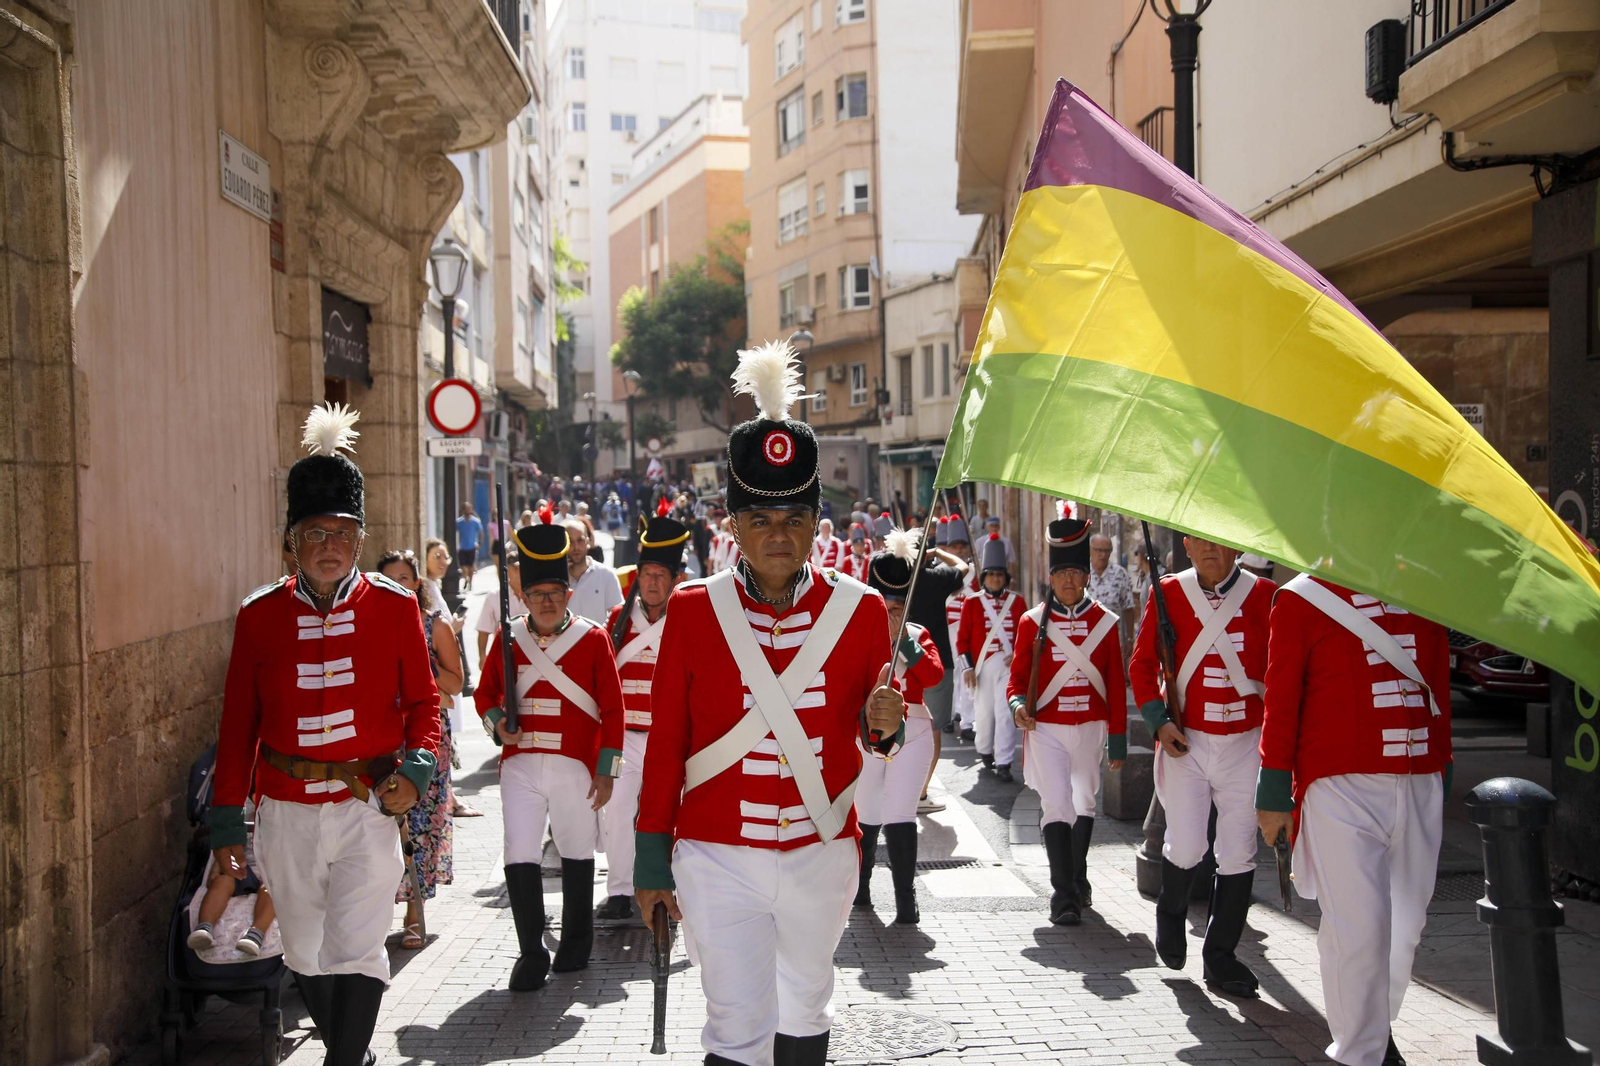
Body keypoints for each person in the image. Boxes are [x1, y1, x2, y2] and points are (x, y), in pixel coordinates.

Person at [634, 340, 906, 1066]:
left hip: (821, 848)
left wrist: (884, 731)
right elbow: (665, 747)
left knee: (807, 1004)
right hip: (717, 854)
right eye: (760, 519)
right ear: (733, 527)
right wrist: (651, 860)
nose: (778, 534)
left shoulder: (860, 610)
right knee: (736, 1025)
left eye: (793, 517)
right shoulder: (693, 612)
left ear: (818, 521)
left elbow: (868, 730)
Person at [213, 404, 439, 1066]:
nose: (331, 545)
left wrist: (417, 770)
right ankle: (354, 1054)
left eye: (344, 531)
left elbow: (425, 703)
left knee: (360, 946)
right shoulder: (257, 617)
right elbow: (236, 725)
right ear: (292, 542)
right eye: (316, 532)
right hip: (284, 810)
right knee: (307, 951)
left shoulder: (397, 608)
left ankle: (342, 1060)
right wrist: (229, 822)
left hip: (367, 805)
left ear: (361, 540)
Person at [1258, 576, 1452, 1066]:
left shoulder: (1426, 588)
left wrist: (1442, 767)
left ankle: (1373, 1032)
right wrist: (1275, 792)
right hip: (1339, 786)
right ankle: (1358, 1052)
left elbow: (1438, 682)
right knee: (1358, 930)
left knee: (1405, 928)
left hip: (1419, 779)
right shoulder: (1302, 598)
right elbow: (1280, 701)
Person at [474, 522, 626, 990]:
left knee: (578, 854)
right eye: (537, 592)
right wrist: (499, 722)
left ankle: (576, 945)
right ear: (524, 596)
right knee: (519, 852)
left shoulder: (594, 638)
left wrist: (606, 771)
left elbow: (613, 709)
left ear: (568, 593)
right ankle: (530, 952)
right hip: (520, 766)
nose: (546, 601)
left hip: (575, 766)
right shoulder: (507, 637)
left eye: (555, 592)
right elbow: (484, 697)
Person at [1130, 535, 1275, 998]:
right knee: (1188, 845)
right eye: (1201, 542)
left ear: (1237, 548)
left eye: (1220, 542)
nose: (1211, 550)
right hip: (1186, 742)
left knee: (1238, 852)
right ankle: (1170, 916)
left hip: (1246, 743)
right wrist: (1158, 721)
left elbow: (1282, 673)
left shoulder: (1266, 597)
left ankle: (1221, 957)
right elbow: (1141, 666)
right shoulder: (1168, 593)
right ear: (1187, 547)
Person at [1008, 519, 1127, 924]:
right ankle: (1064, 896)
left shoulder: (1106, 623)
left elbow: (1115, 681)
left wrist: (1119, 737)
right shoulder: (1031, 622)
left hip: (1091, 726)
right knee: (1055, 802)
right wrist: (1017, 706)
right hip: (1047, 729)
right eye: (1062, 574)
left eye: (1076, 573)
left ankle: (1078, 875)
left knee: (1084, 801)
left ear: (1086, 575)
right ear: (1051, 577)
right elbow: (1017, 681)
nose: (1069, 581)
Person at [595, 511, 690, 920]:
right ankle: (618, 890)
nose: (652, 582)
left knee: (675, 813)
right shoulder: (616, 620)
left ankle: (670, 885)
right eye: (646, 574)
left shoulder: (689, 621)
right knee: (615, 810)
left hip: (669, 738)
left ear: (674, 580)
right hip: (623, 737)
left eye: (660, 575)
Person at [855, 528, 944, 924]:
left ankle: (906, 899)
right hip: (867, 734)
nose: (891, 615)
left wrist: (904, 643)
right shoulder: (858, 637)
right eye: (885, 607)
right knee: (866, 807)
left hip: (915, 732)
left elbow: (934, 676)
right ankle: (861, 888)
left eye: (897, 608)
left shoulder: (917, 634)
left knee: (900, 812)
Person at [377, 550, 463, 950]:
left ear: (416, 583)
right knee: (382, 824)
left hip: (425, 737)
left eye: (403, 577)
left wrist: (417, 670)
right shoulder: (368, 626)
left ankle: (414, 912)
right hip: (381, 736)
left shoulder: (435, 624)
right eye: (387, 578)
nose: (397, 584)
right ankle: (378, 914)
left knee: (422, 822)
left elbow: (456, 681)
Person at [902, 518, 971, 814]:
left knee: (900, 723)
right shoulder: (935, 576)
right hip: (934, 656)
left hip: (899, 655)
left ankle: (901, 787)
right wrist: (939, 553)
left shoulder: (894, 576)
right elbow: (963, 567)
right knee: (933, 730)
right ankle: (920, 792)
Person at [956, 532, 1025, 781]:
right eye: (991, 574)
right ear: (984, 577)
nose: (996, 579)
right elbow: (962, 640)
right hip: (983, 666)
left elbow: (1025, 635)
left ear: (1005, 577)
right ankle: (985, 750)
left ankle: (1004, 761)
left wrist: (1018, 653)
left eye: (1000, 575)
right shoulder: (972, 603)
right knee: (984, 713)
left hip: (1009, 666)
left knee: (1006, 713)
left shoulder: (1018, 602)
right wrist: (968, 668)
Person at [187, 801, 276, 956]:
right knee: (222, 882)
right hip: (241, 864)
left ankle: (256, 934)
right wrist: (217, 866)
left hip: (272, 867)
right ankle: (204, 927)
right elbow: (228, 837)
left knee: (271, 889)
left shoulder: (280, 804)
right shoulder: (241, 803)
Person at [941, 515, 979, 743]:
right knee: (948, 675)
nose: (959, 551)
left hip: (967, 631)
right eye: (955, 547)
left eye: (962, 547)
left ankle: (967, 720)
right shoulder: (943, 572)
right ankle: (949, 714)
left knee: (966, 674)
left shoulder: (976, 573)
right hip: (946, 629)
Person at [1087, 532, 1138, 660]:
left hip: (1113, 638)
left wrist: (1130, 639)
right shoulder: (1081, 572)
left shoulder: (1119, 573)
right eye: (1098, 550)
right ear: (1090, 550)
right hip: (1086, 637)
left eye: (1107, 551)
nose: (1102, 555)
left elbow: (1128, 608)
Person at [565, 518, 624, 622]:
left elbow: (618, 616)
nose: (576, 547)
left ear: (588, 541)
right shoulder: (557, 580)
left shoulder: (606, 575)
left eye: (580, 540)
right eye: (570, 541)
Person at [476, 553, 527, 664]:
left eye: (523, 568)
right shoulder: (494, 596)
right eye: (515, 569)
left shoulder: (535, 594)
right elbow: (484, 630)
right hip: (503, 655)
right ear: (507, 569)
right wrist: (482, 656)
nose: (519, 573)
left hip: (531, 653)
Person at [456, 503, 484, 589]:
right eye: (465, 509)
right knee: (463, 566)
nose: (467, 510)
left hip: (472, 547)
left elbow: (481, 532)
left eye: (469, 508)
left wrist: (479, 543)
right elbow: (455, 532)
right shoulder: (459, 522)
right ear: (463, 510)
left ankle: (470, 583)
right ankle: (466, 578)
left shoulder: (475, 521)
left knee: (471, 566)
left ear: (471, 510)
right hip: (462, 547)